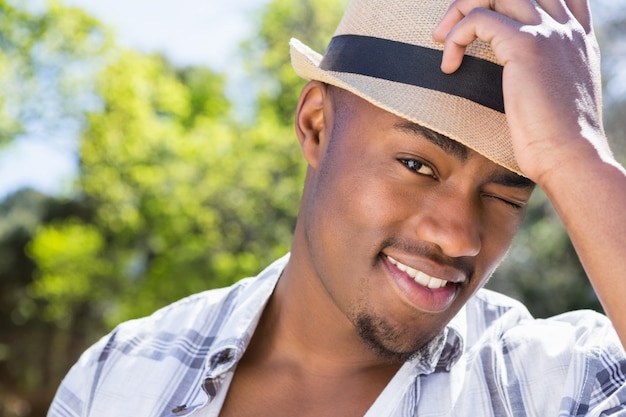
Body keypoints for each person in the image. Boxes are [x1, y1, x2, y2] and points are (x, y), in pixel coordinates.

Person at [48, 0, 626, 415]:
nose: (458, 237)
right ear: (317, 127)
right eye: (418, 165)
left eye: (505, 194)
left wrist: (574, 155)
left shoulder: (552, 386)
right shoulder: (121, 376)